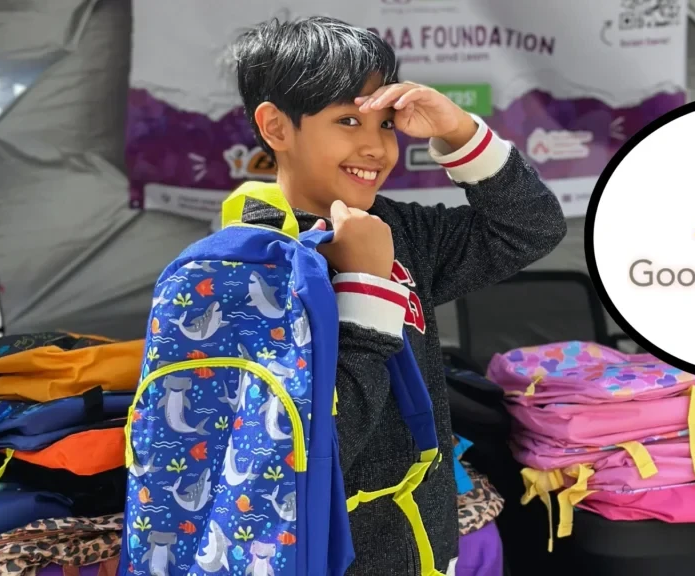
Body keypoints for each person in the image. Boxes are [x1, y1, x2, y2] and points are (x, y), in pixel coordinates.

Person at [232, 15, 567, 575]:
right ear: (276, 126)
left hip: (428, 548)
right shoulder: (248, 263)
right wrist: (365, 288)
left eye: (385, 124)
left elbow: (531, 227)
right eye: (347, 120)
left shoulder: (401, 230)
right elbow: (297, 453)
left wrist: (459, 132)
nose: (375, 147)